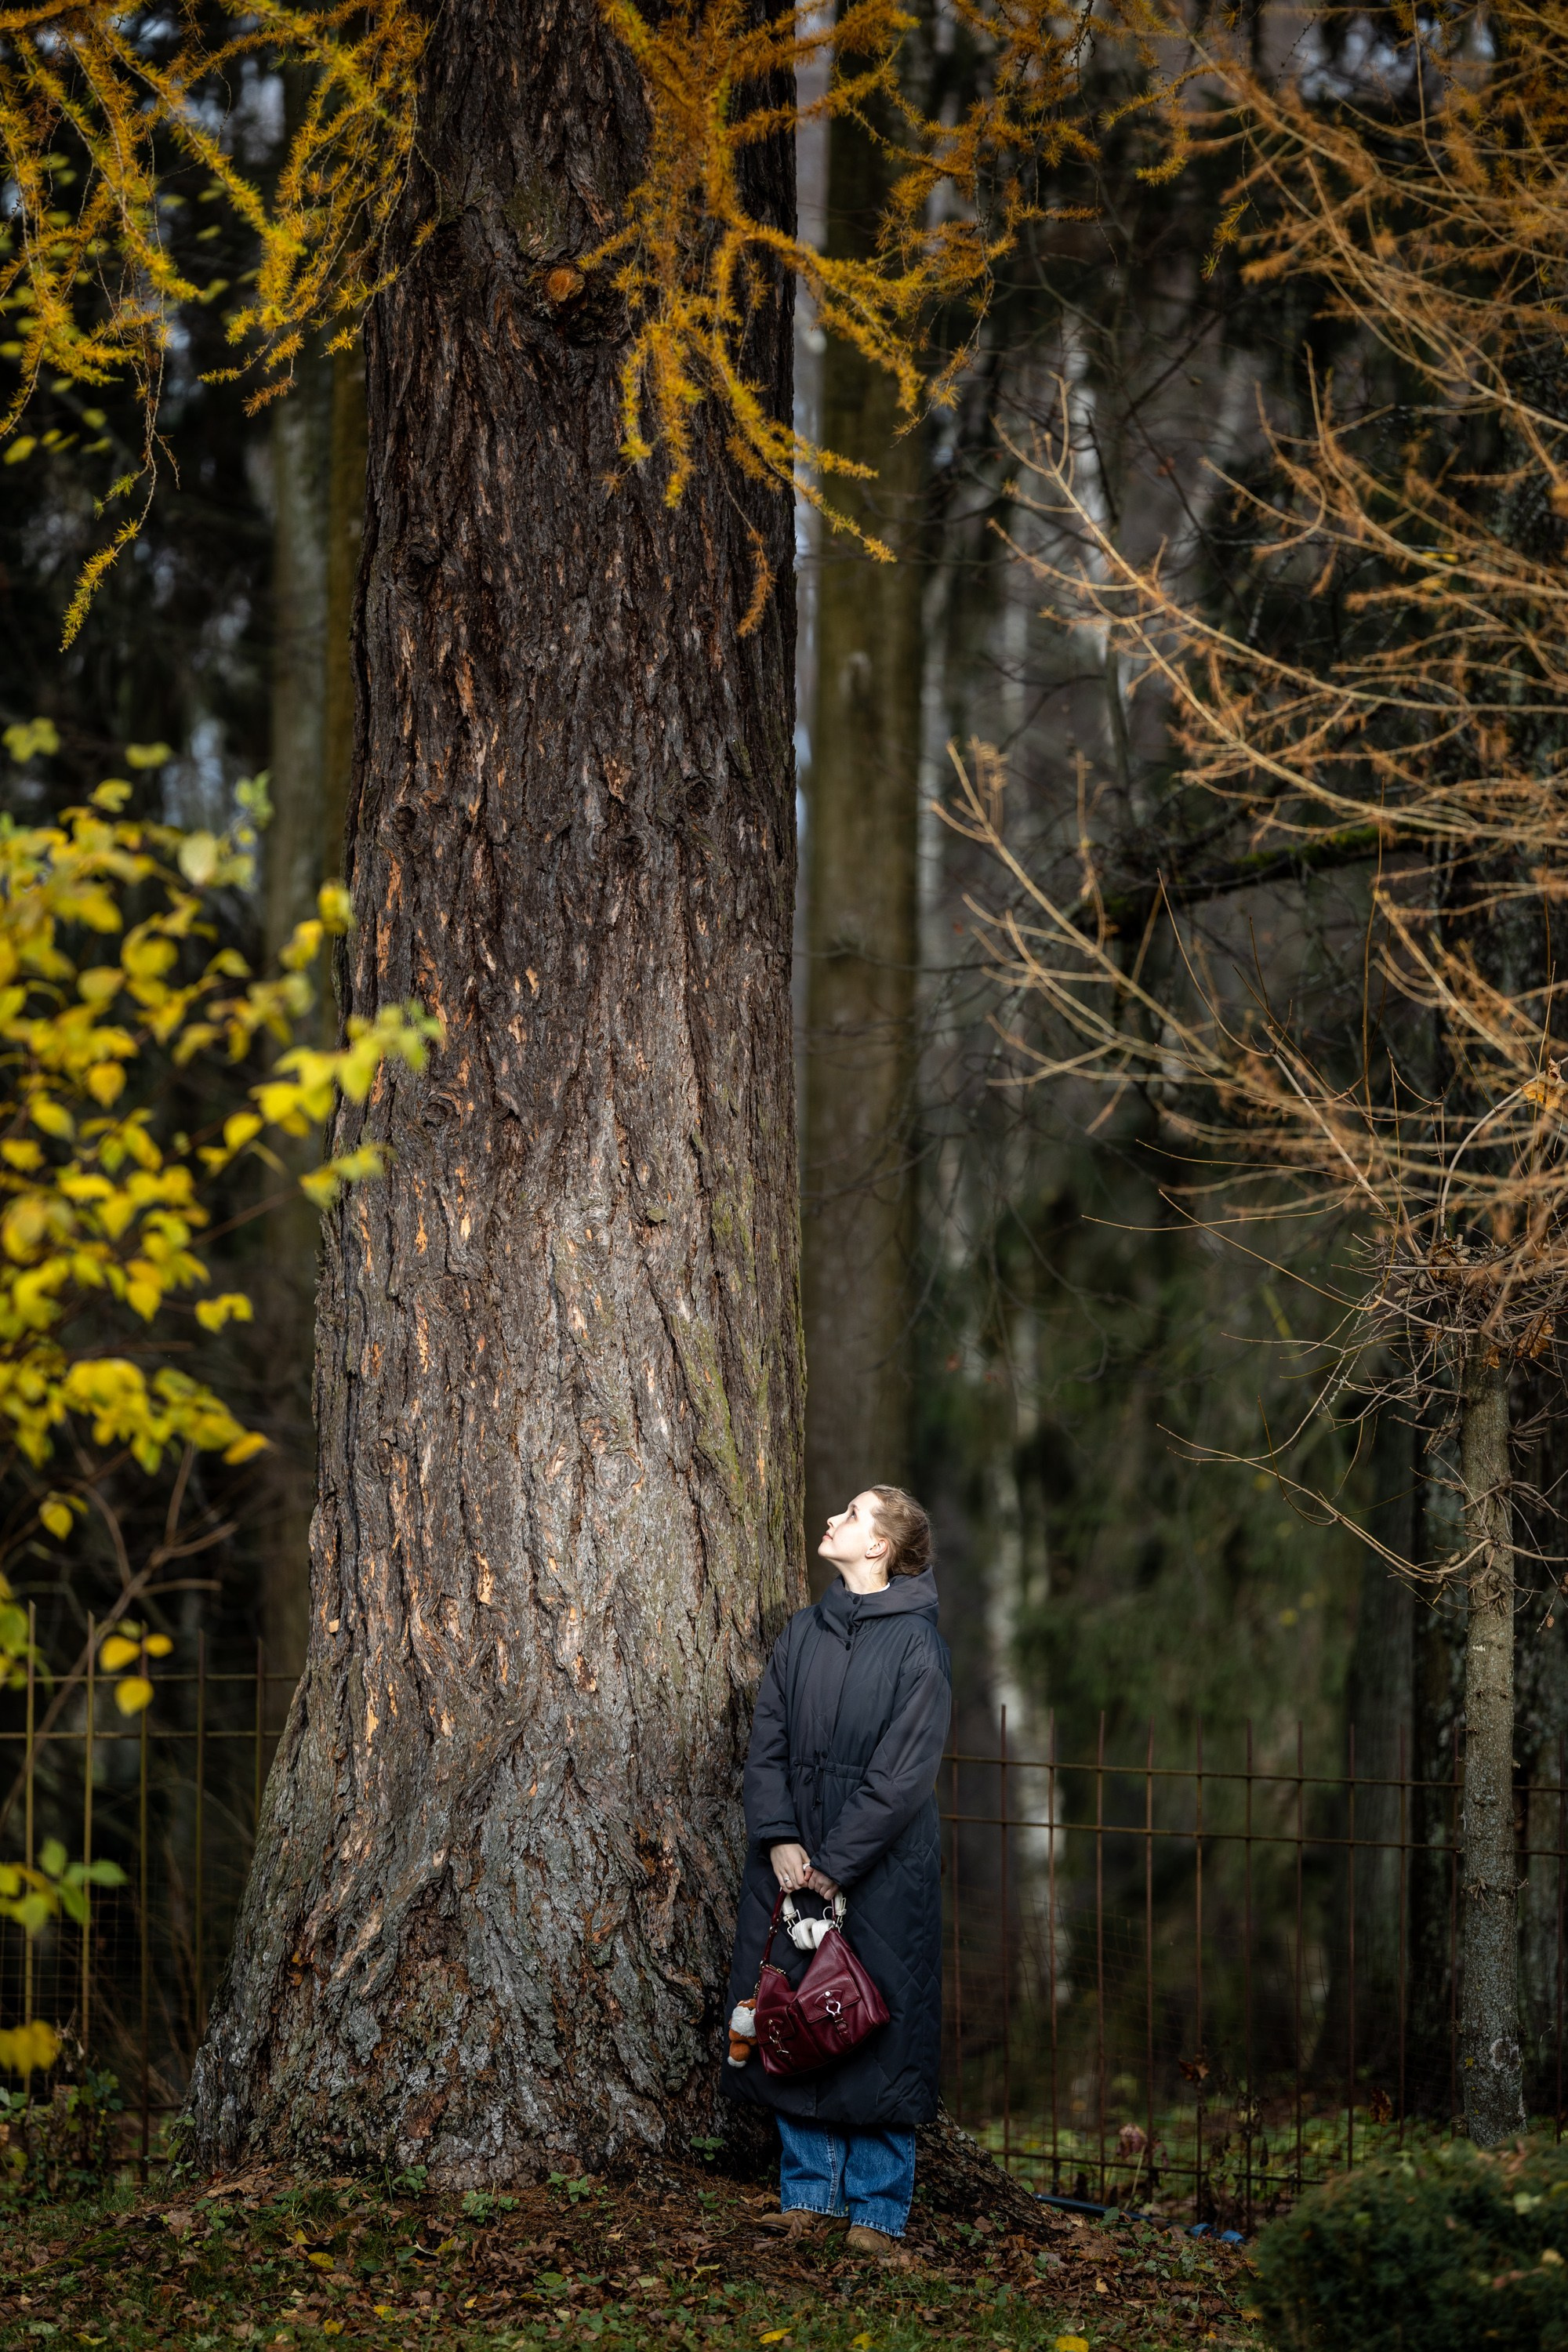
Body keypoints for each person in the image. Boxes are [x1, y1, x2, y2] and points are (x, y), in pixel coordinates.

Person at [721, 1485, 952, 2263]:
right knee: (793, 2018)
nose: (831, 1520)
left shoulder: (917, 1646)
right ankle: (808, 2199)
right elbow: (768, 1744)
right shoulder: (801, 1634)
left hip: (882, 1877)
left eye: (851, 1515)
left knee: (876, 2028)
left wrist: (832, 1866)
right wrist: (781, 1838)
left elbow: (900, 1779)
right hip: (793, 1871)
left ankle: (876, 2217)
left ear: (880, 1545)